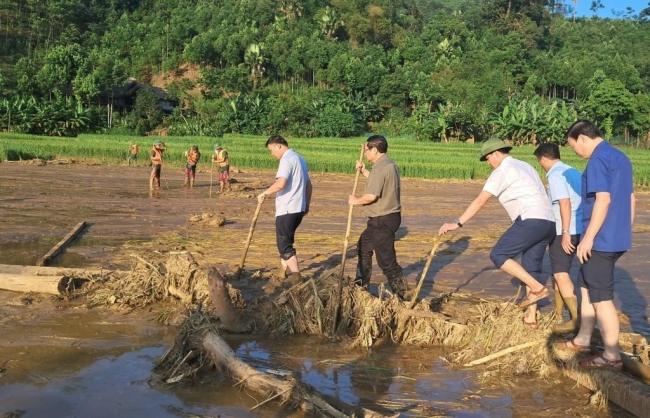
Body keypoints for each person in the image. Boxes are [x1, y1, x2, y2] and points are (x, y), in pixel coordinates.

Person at [438, 137, 556, 328]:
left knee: (499, 254)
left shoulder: (502, 170)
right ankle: (531, 318)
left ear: (497, 154)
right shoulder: (525, 166)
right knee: (531, 268)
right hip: (549, 222)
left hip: (530, 218)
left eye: (488, 159)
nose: (488, 163)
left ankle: (537, 288)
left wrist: (457, 223)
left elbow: (480, 201)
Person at [554, 120, 635, 371]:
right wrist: (624, 230)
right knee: (586, 285)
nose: (576, 152)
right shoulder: (620, 157)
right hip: (615, 237)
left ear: (583, 138)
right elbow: (632, 198)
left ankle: (611, 356)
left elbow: (603, 200)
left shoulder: (598, 159)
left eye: (574, 146)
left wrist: (588, 238)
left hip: (600, 239)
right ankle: (583, 340)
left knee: (601, 297)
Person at [348, 135, 409, 299]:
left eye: (367, 150)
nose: (366, 154)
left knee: (387, 261)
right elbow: (379, 183)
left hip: (382, 219)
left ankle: (402, 295)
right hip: (387, 218)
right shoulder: (389, 164)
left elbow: (371, 196)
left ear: (375, 149)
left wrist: (355, 201)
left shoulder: (380, 167)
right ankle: (361, 285)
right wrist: (364, 171)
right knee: (363, 246)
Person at [534, 143, 582, 334]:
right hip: (582, 228)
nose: (541, 166)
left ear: (544, 159)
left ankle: (576, 320)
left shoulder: (555, 175)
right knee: (558, 270)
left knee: (561, 273)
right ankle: (558, 313)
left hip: (566, 229)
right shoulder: (574, 171)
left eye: (540, 162)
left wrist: (565, 232)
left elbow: (564, 203)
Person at [257, 135, 312, 284]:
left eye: (271, 150)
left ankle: (296, 276)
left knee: (284, 245)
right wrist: (306, 205)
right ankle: (282, 271)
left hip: (287, 208)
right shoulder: (300, 159)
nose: (272, 154)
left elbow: (281, 183)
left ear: (279, 146)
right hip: (298, 208)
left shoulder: (286, 160)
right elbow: (308, 185)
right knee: (286, 239)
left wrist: (265, 193)